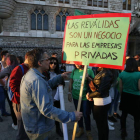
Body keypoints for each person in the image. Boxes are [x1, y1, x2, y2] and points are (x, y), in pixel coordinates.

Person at [20, 48, 83, 140]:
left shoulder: (32, 75)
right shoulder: (36, 80)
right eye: (47, 59)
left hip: (35, 124)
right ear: (40, 63)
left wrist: (59, 77)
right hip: (39, 129)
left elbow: (45, 87)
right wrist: (72, 116)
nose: (50, 61)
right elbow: (47, 109)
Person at [86, 68, 115, 140]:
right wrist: (89, 78)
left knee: (101, 126)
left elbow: (100, 91)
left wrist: (90, 95)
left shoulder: (106, 73)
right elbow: (97, 83)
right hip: (100, 101)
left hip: (102, 102)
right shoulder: (102, 71)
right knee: (103, 125)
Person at [68, 64, 94, 140]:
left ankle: (88, 131)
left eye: (78, 62)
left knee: (86, 114)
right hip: (76, 97)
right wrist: (69, 93)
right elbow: (70, 82)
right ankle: (81, 129)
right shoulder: (74, 71)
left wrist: (88, 77)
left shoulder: (89, 70)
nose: (77, 64)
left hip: (85, 97)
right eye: (75, 62)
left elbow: (94, 82)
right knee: (78, 114)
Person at [10, 51, 32, 140]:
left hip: (28, 103)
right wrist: (27, 95)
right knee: (22, 129)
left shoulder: (31, 68)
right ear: (26, 57)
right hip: (19, 103)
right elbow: (13, 87)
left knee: (27, 127)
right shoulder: (19, 69)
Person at [119, 58, 140, 140]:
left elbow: (120, 87)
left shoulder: (122, 74)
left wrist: (122, 95)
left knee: (124, 115)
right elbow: (139, 88)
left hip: (125, 96)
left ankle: (123, 132)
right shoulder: (138, 75)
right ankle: (136, 135)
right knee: (137, 118)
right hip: (136, 97)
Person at [0, 55, 18, 130]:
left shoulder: (9, 68)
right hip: (20, 90)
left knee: (12, 107)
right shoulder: (19, 66)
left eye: (7, 60)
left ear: (9, 61)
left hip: (12, 90)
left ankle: (15, 123)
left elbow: (0, 75)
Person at [0, 50, 10, 122]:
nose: (8, 57)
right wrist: (4, 85)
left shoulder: (7, 64)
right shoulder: (0, 64)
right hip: (1, 85)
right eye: (7, 55)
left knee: (4, 100)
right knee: (1, 100)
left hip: (6, 85)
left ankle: (4, 112)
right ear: (4, 56)